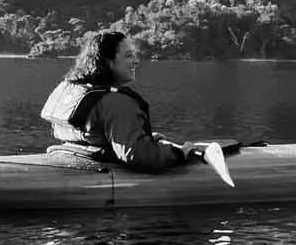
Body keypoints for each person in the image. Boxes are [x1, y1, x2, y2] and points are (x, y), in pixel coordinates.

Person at [40, 31, 197, 173]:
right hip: (98, 173)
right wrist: (179, 154)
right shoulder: (117, 103)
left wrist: (143, 138)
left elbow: (95, 136)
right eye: (128, 56)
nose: (136, 61)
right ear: (109, 62)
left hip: (70, 157)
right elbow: (138, 156)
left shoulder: (71, 88)